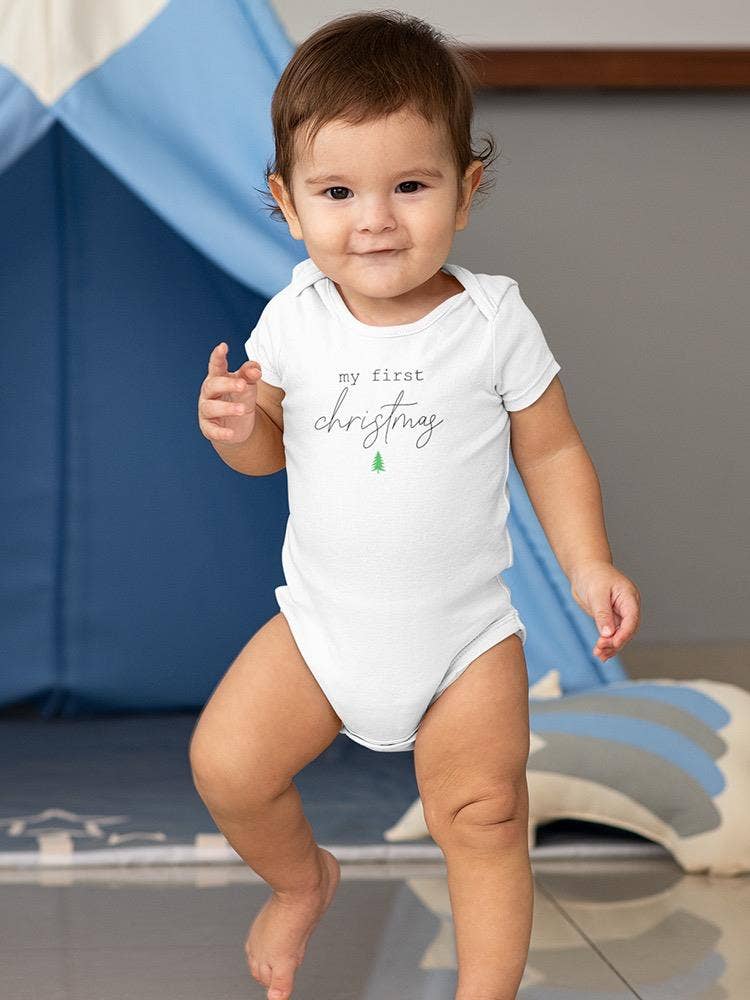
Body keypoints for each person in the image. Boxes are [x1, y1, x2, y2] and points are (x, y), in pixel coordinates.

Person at [190, 10, 641, 1000]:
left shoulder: (492, 320)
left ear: (465, 192)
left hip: (463, 638)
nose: (376, 220)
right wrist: (236, 427)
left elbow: (552, 447)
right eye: (337, 192)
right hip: (323, 627)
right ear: (288, 203)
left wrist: (588, 563)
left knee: (483, 816)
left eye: (410, 186)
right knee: (227, 766)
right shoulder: (295, 318)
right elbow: (266, 456)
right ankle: (302, 880)